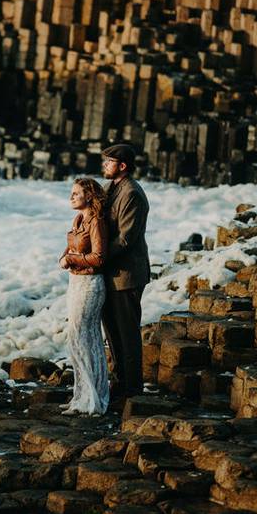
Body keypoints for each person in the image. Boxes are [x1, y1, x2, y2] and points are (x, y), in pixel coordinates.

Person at [99, 144, 150, 401]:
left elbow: (126, 238)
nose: (104, 165)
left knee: (127, 335)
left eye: (108, 162)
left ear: (122, 166)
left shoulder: (132, 193)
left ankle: (133, 391)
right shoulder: (112, 189)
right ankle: (119, 386)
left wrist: (96, 258)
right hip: (112, 274)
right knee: (113, 335)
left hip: (127, 276)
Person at [58, 177, 110, 415]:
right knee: (77, 339)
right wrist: (65, 255)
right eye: (71, 193)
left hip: (90, 284)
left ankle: (93, 400)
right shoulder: (79, 218)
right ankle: (81, 397)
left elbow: (99, 258)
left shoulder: (96, 221)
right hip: (76, 281)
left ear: (89, 196)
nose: (71, 197)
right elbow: (73, 245)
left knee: (83, 338)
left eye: (76, 193)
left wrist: (71, 260)